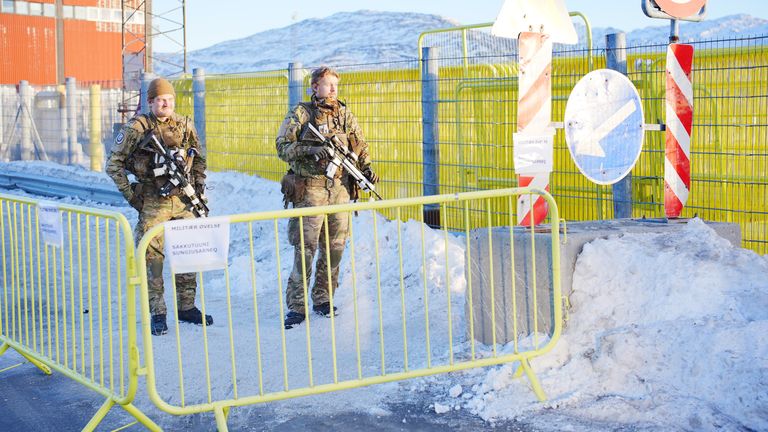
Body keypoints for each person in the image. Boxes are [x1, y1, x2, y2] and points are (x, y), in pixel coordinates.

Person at [106, 77, 213, 336]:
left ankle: (186, 307)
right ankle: (158, 312)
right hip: (154, 201)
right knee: (153, 258)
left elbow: (199, 158)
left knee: (189, 252)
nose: (166, 104)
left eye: (170, 99)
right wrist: (133, 197)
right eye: (161, 100)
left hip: (184, 200)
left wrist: (197, 187)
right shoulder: (137, 127)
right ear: (150, 101)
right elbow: (113, 165)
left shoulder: (184, 124)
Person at [276, 66, 379, 330]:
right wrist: (311, 149)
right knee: (305, 249)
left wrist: (366, 170)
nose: (332, 89)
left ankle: (323, 298)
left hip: (340, 190)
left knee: (335, 248)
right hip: (310, 189)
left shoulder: (345, 114)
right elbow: (282, 147)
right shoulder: (301, 114)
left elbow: (360, 146)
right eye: (327, 84)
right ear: (314, 87)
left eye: (335, 84)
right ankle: (296, 306)